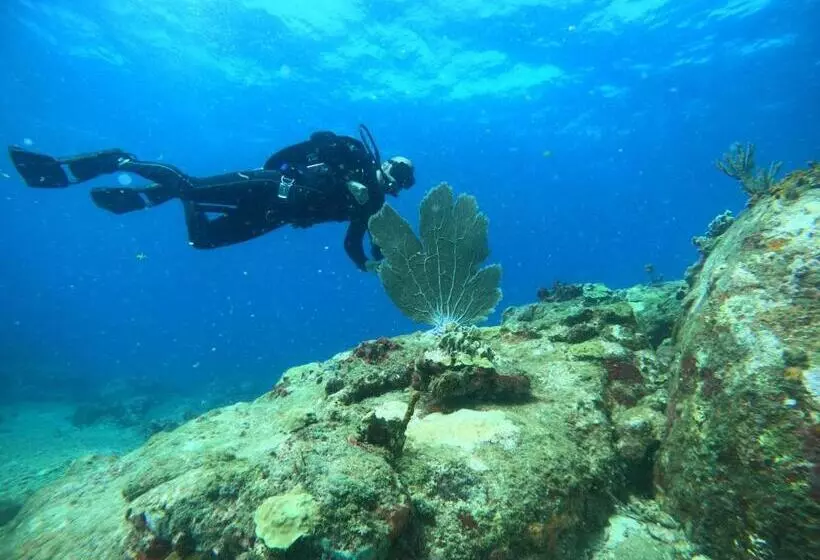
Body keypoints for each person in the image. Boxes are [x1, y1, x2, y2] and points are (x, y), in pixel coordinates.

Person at [6, 125, 415, 271]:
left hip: (274, 216)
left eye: (402, 184)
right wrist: (341, 173)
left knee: (203, 241)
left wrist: (374, 265)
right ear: (386, 163)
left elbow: (354, 243)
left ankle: (171, 196)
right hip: (269, 185)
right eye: (396, 173)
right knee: (191, 185)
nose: (394, 184)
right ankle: (118, 159)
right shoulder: (355, 156)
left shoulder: (374, 207)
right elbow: (314, 143)